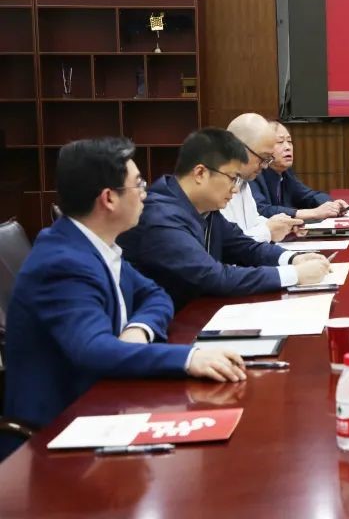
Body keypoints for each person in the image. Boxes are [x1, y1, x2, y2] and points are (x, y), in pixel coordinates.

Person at [2, 138, 245, 455]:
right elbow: (95, 351)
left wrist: (138, 330)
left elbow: (156, 295)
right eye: (138, 184)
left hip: (104, 404)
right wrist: (188, 358)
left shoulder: (95, 244)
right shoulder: (62, 262)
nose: (146, 194)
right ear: (109, 199)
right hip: (55, 436)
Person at [118, 128, 330, 310]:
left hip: (196, 312)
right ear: (200, 173)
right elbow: (213, 276)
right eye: (232, 178)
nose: (236, 189)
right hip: (165, 325)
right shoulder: (160, 216)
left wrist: (293, 259)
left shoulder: (204, 208)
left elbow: (244, 247)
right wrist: (295, 274)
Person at [219, 113, 304, 243]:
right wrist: (268, 231)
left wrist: (282, 225)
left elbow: (252, 222)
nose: (265, 166)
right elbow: (229, 244)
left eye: (268, 159)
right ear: (239, 148)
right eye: (263, 158)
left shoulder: (242, 181)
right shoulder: (215, 184)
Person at [250, 121, 348, 220]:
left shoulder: (285, 172)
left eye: (289, 141)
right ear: (263, 147)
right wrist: (313, 213)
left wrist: (331, 205)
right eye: (280, 142)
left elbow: (308, 196)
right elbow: (261, 210)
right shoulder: (253, 173)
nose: (288, 147)